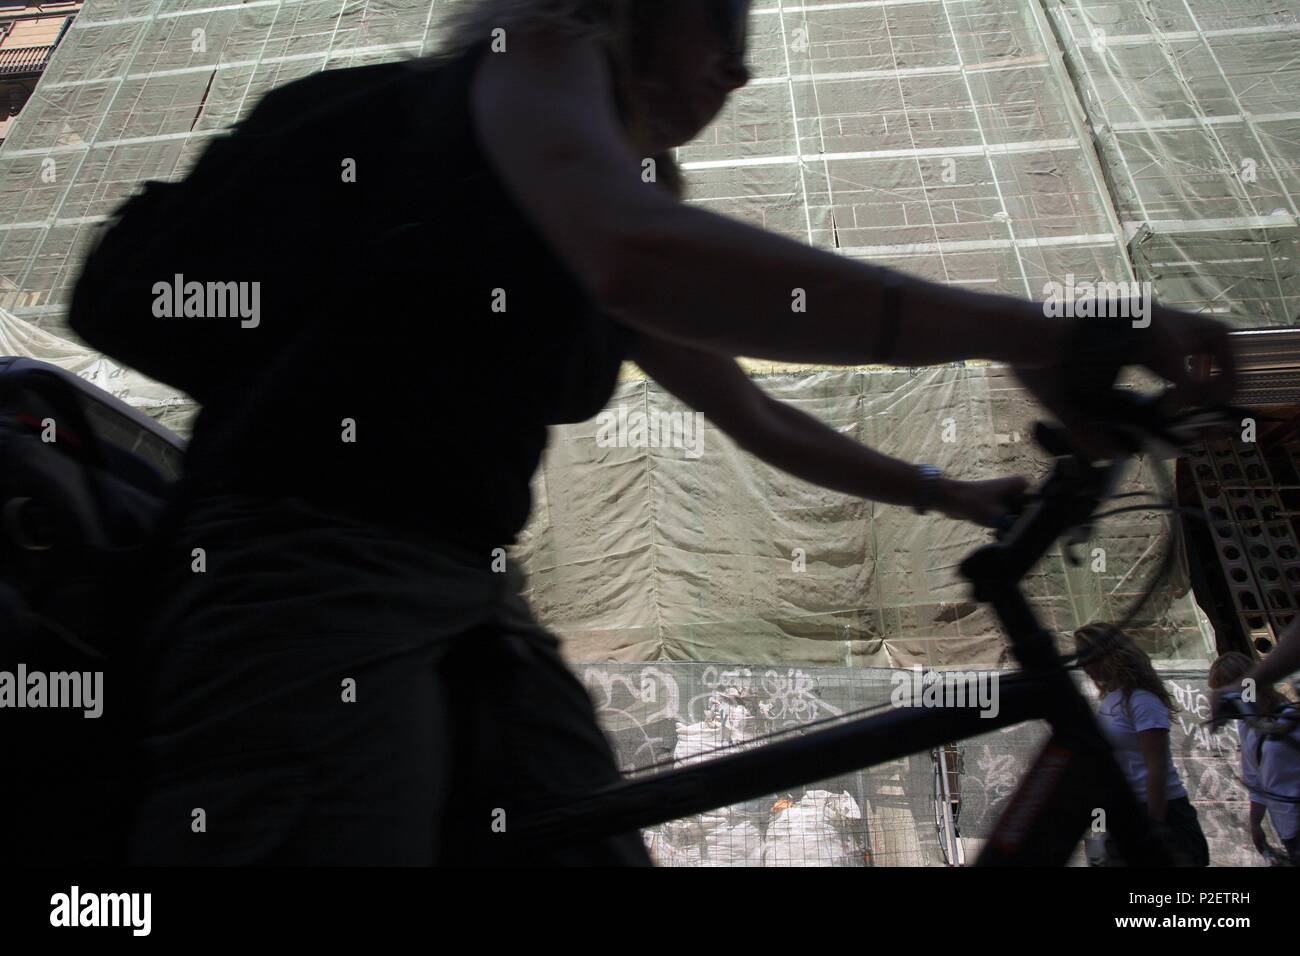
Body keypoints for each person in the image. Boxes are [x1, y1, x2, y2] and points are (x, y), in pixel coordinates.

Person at [113, 0, 1237, 865]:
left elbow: (748, 410)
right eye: (724, 18)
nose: (740, 65)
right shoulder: (544, 54)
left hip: (465, 587)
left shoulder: (593, 175)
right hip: (312, 579)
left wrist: (951, 492)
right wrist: (1022, 327)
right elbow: (635, 251)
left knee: (580, 833)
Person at [1074, 624, 1210, 866]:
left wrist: (1154, 827)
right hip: (1122, 811)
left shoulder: (1141, 700)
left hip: (1158, 811)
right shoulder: (1110, 700)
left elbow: (1155, 768)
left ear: (1109, 655)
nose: (1081, 664)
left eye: (1086, 655)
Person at [1209, 652, 1300, 865]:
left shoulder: (1287, 718)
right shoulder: (1246, 726)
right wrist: (1256, 824)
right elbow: (1255, 780)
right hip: (1287, 827)